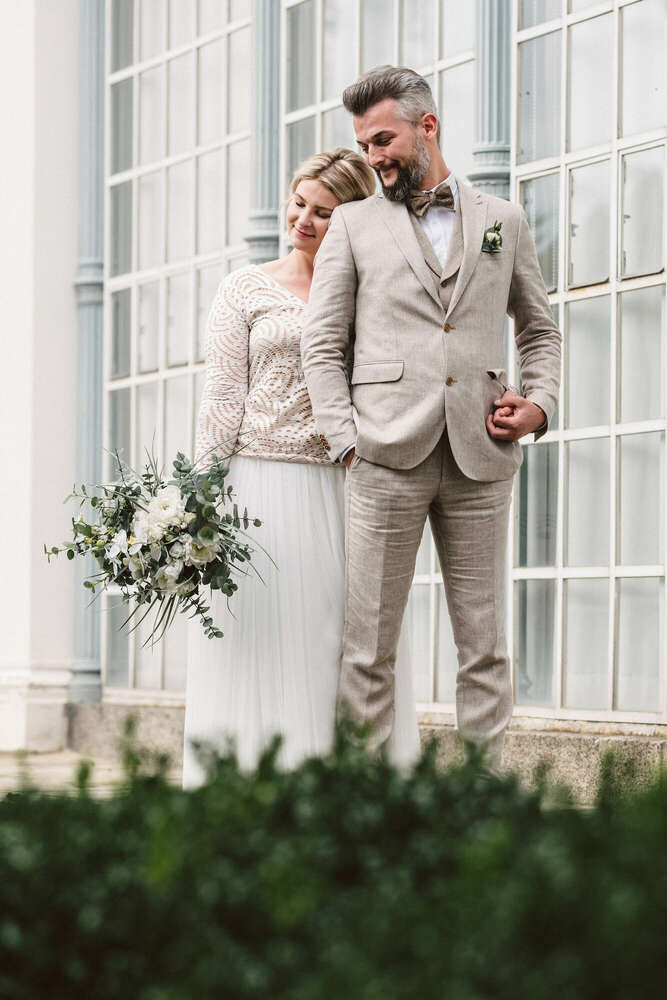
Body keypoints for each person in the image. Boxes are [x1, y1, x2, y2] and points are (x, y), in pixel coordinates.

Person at [302, 67, 561, 771]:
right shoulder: (352, 225)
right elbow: (320, 342)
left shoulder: (501, 222)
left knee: (483, 645)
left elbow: (538, 330)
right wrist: (347, 443)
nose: (373, 155)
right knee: (368, 647)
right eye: (362, 145)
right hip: (381, 456)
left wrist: (538, 403)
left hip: (481, 456)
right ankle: (364, 808)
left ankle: (480, 805)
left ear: (427, 126)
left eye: (382, 138)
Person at [182, 148, 420, 788]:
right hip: (256, 489)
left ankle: (340, 791)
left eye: (322, 211)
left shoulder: (374, 293)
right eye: (298, 204)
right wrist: (196, 505)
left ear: (348, 220)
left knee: (341, 642)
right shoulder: (244, 288)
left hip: (345, 487)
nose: (303, 221)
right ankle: (248, 794)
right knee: (256, 642)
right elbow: (223, 400)